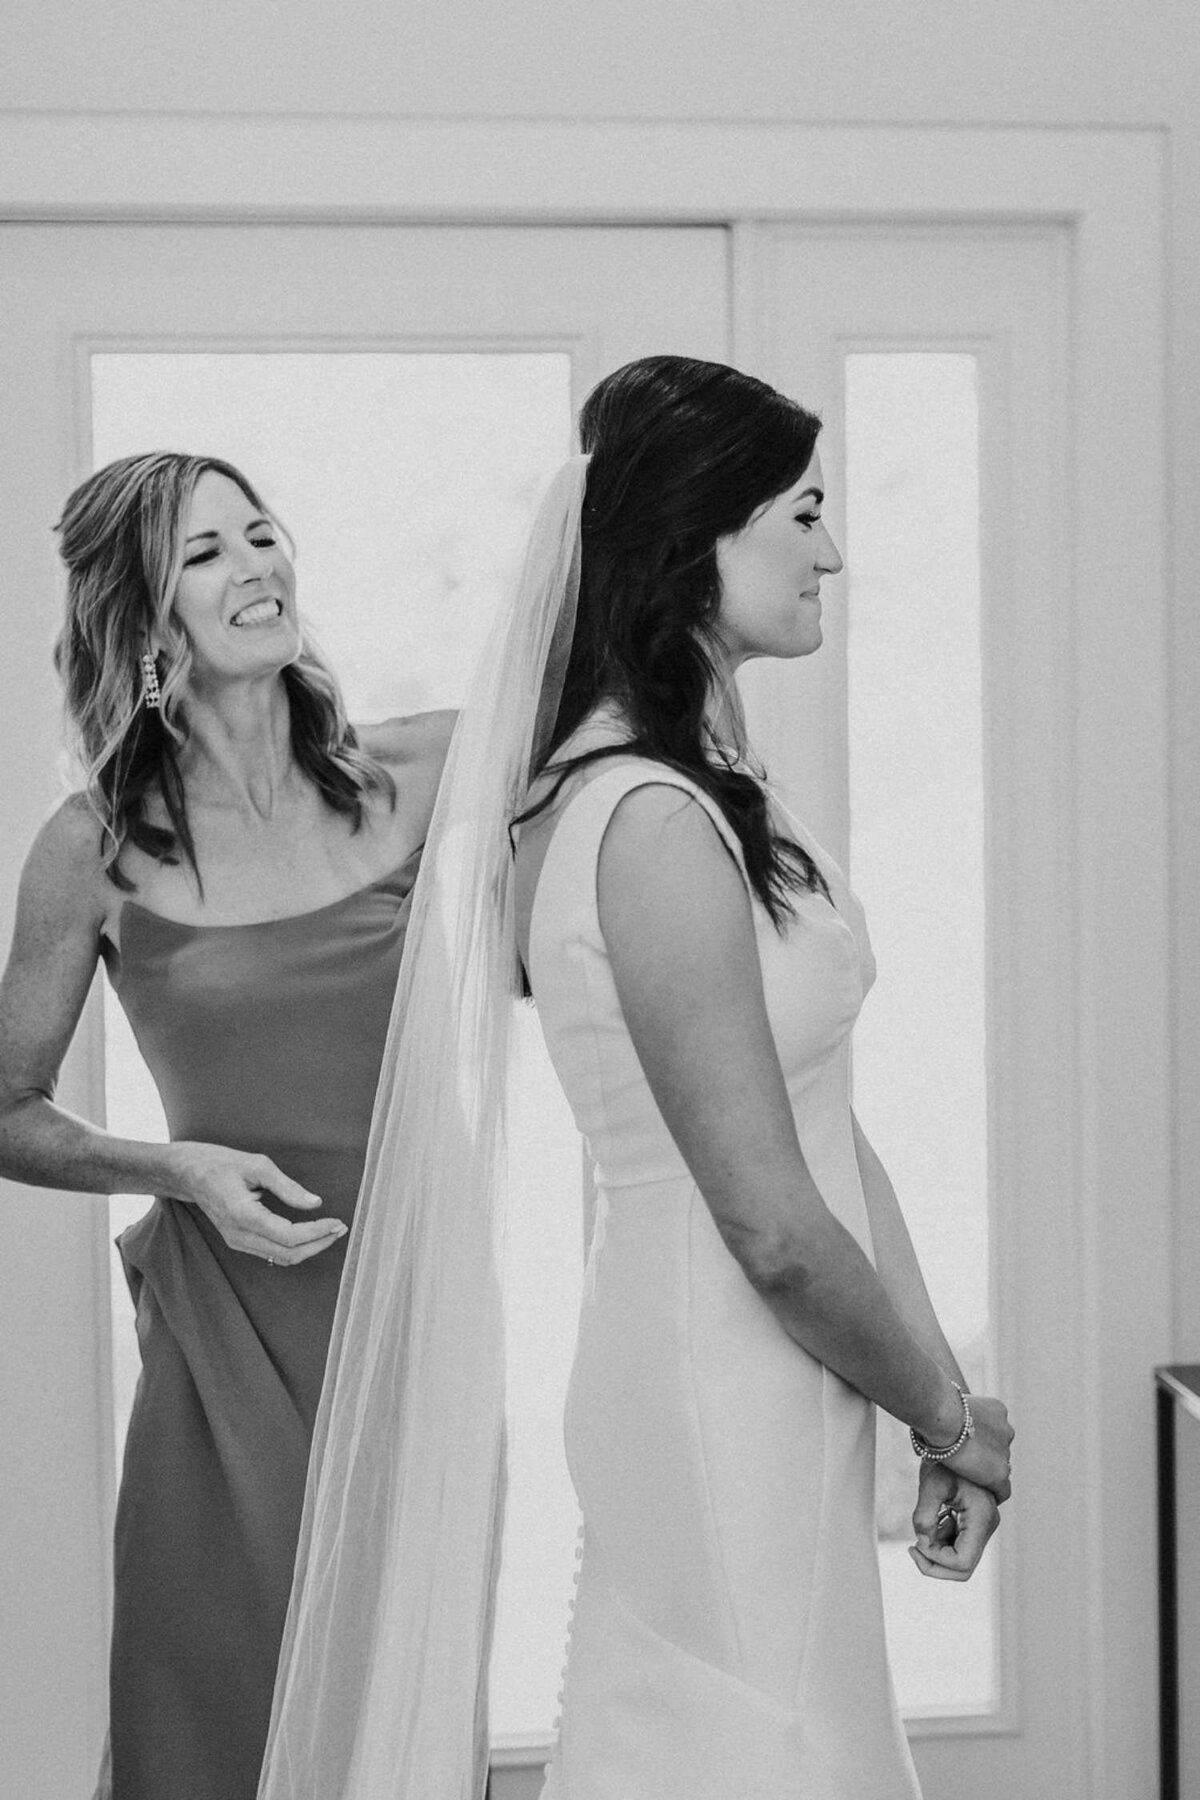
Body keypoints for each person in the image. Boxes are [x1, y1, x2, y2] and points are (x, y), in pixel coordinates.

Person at [255, 358, 1014, 1800]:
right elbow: (776, 1230)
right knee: (746, 1749)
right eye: (803, 510)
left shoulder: (709, 791)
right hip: (716, 1367)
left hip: (771, 1378)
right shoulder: (646, 819)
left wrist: (947, 1408)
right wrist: (951, 1415)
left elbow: (828, 1135)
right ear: (697, 538)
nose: (832, 550)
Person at [0, 451, 454, 1800]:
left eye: (262, 535)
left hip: (409, 1316)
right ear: (143, 617)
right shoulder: (91, 843)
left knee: (399, 1719)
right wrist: (176, 1168)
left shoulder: (423, 775)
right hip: (229, 1335)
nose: (255, 566)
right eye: (205, 553)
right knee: (210, 1721)